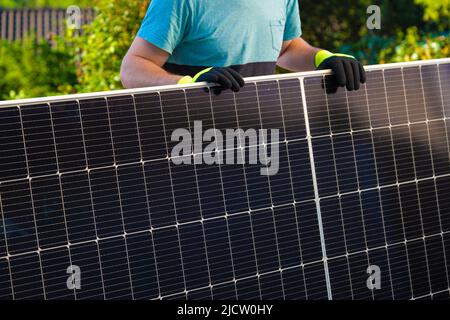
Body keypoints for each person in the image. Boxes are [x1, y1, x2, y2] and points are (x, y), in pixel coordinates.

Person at [120, 0, 365, 93]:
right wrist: (186, 84)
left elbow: (286, 48)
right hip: (193, 143)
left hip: (259, 139)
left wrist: (323, 58)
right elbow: (132, 68)